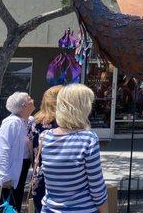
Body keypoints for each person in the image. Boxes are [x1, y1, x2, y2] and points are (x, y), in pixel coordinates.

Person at [40, 84, 108, 212]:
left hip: (49, 208)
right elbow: (97, 187)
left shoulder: (44, 137)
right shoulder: (88, 139)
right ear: (82, 107)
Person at [0, 92, 35, 211]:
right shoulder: (11, 123)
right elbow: (3, 150)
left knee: (16, 204)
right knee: (8, 207)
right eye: (29, 99)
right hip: (9, 172)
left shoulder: (28, 121)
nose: (33, 100)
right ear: (24, 105)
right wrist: (5, 176)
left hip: (22, 167)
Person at [30, 85, 63, 212]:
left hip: (39, 173)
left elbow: (32, 148)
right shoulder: (60, 122)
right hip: (56, 175)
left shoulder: (36, 121)